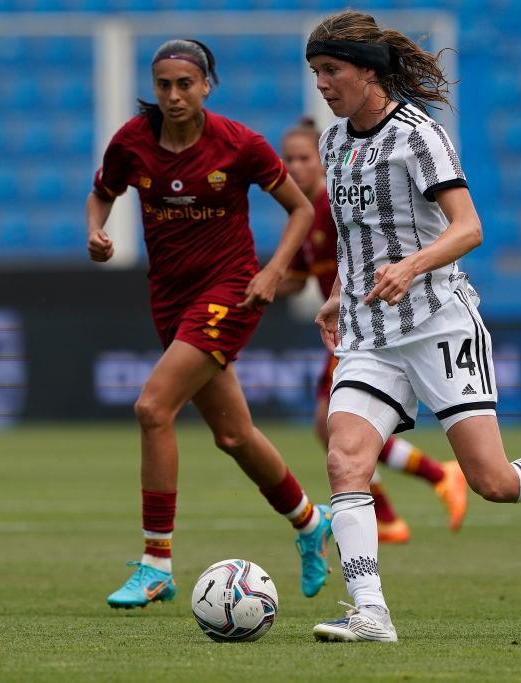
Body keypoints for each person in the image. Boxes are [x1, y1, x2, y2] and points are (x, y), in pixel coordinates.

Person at [303, 11, 521, 643]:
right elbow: (355, 236)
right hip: (369, 334)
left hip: (439, 323)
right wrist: (339, 293)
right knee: (345, 461)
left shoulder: (419, 136)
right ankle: (370, 613)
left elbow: (469, 227)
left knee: (493, 482)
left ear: (368, 71)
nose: (323, 85)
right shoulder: (335, 143)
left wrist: (411, 267)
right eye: (316, 73)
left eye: (332, 70)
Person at [86, 38, 333, 609]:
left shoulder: (239, 144)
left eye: (184, 85)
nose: (173, 96)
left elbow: (300, 208)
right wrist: (96, 232)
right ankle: (308, 520)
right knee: (233, 435)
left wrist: (274, 271)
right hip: (168, 298)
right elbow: (101, 194)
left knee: (152, 407)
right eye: (163, 85)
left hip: (228, 291)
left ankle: (156, 563)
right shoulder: (132, 141)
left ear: (206, 87)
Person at [276, 117, 468, 544]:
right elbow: (300, 276)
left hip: (368, 323)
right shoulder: (306, 215)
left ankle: (398, 505)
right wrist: (257, 282)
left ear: (324, 162)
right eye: (287, 159)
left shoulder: (329, 207)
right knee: (335, 428)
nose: (295, 167)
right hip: (346, 323)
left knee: (336, 426)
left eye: (304, 158)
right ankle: (408, 499)